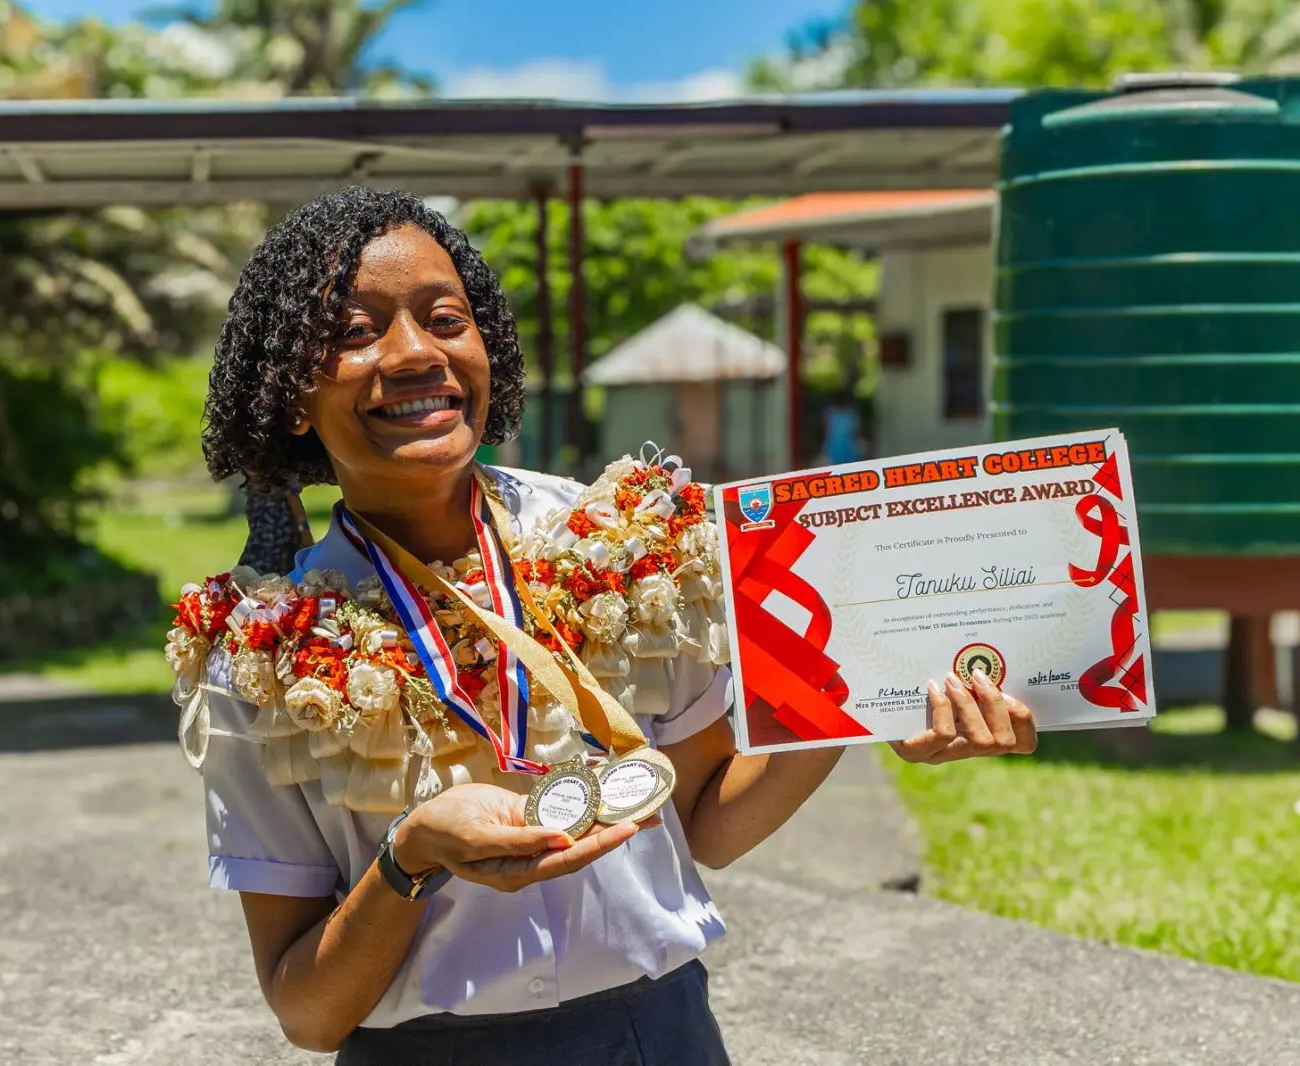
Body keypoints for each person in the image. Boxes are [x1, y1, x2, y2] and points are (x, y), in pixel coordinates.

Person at [171, 187, 1038, 1065]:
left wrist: (872, 698)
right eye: (356, 333)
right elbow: (308, 1015)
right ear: (288, 394)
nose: (415, 354)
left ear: (489, 349)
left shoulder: (622, 543)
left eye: (445, 318)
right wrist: (411, 853)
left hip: (660, 1038)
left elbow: (708, 824)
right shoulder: (265, 656)